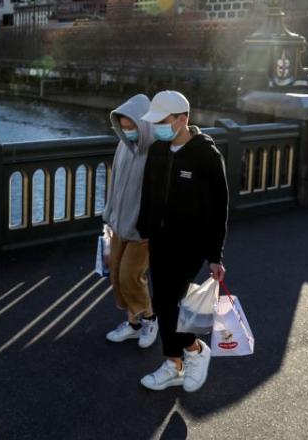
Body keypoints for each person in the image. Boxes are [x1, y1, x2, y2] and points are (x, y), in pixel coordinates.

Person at [135, 90, 228, 393]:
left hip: (190, 245)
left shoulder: (206, 156)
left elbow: (219, 209)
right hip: (159, 240)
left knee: (172, 302)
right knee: (162, 302)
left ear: (182, 119)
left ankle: (195, 350)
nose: (158, 127)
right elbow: (148, 195)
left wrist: (215, 255)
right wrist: (146, 232)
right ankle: (173, 363)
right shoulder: (158, 150)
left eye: (163, 121)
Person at [101, 94, 158, 348]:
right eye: (123, 127)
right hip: (119, 224)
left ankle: (150, 318)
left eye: (131, 127)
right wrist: (108, 215)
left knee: (130, 276)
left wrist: (152, 227)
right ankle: (134, 324)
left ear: (143, 124)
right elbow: (114, 184)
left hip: (142, 230)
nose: (127, 132)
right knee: (116, 274)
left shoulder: (157, 151)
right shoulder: (122, 146)